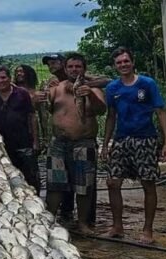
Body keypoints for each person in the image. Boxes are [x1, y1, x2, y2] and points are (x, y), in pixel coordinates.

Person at [102, 47, 166, 244]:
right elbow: (111, 117)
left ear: (132, 62)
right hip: (121, 139)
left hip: (145, 139)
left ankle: (147, 230)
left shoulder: (147, 84)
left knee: (147, 183)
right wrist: (106, 144)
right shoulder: (113, 88)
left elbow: (160, 112)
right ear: (115, 66)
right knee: (113, 182)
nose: (123, 65)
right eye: (119, 63)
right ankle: (117, 226)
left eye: (126, 61)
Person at [44, 53, 106, 234]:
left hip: (83, 142)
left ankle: (83, 223)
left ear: (84, 69)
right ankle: (50, 220)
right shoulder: (57, 88)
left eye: (78, 67)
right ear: (65, 68)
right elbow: (45, 107)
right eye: (70, 67)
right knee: (54, 184)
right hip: (58, 143)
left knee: (84, 186)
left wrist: (90, 96)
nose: (74, 70)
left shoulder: (93, 88)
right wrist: (42, 96)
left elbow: (101, 110)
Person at [0, 66, 39, 192]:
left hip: (24, 143)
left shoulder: (22, 94)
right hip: (3, 146)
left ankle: (38, 203)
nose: (1, 81)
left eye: (3, 77)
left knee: (31, 177)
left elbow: (32, 117)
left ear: (9, 78)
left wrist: (36, 141)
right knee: (10, 177)